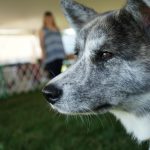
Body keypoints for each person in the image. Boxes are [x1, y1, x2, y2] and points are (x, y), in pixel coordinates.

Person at [39, 11, 65, 79]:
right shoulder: (43, 30)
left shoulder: (57, 29)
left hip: (60, 54)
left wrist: (64, 52)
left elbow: (60, 41)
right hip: (50, 55)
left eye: (50, 18)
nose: (49, 19)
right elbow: (41, 43)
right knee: (53, 74)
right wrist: (43, 53)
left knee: (59, 73)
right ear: (44, 19)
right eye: (47, 18)